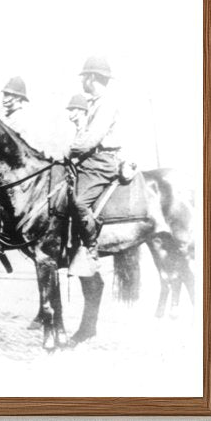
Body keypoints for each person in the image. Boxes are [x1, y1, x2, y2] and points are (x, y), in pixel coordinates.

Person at [67, 55, 128, 265]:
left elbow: (90, 140)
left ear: (91, 77)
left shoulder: (106, 104)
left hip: (102, 161)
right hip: (92, 160)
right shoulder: (95, 103)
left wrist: (70, 150)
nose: (82, 81)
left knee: (79, 201)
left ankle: (91, 247)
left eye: (84, 77)